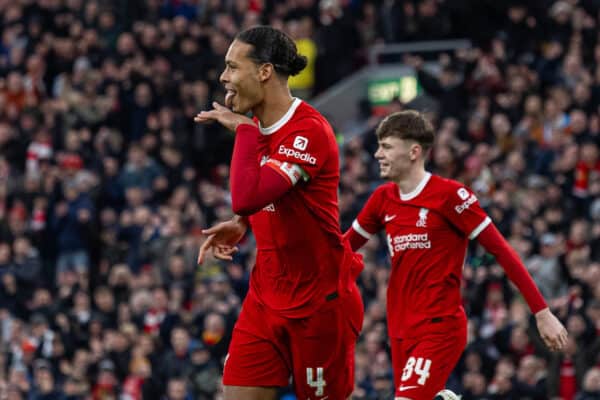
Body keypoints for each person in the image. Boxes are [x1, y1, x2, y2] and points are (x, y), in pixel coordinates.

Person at [342, 110, 568, 399]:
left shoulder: (450, 195)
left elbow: (501, 250)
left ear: (413, 152)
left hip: (440, 327)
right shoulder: (381, 199)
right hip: (399, 330)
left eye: (386, 146)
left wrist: (542, 312)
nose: (377, 154)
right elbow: (343, 248)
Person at [194, 26, 363, 400]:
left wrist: (243, 133)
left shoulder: (309, 132)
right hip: (266, 298)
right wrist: (242, 224)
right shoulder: (257, 127)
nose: (224, 77)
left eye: (232, 67)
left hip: (319, 306)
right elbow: (260, 200)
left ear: (264, 71)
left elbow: (246, 196)